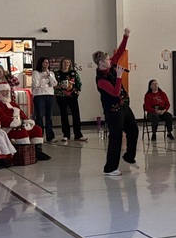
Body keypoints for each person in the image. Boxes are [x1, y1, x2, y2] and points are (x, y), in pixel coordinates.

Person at [94, 29, 139, 176]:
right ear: (101, 63)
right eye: (107, 60)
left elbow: (120, 52)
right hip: (113, 111)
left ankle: (129, 157)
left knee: (133, 130)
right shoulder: (101, 80)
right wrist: (119, 77)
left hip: (123, 106)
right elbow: (114, 92)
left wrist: (126, 37)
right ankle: (110, 168)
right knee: (116, 137)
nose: (110, 61)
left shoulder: (110, 65)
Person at [0, 83, 50, 160]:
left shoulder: (12, 103)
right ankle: (22, 154)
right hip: (6, 127)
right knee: (21, 132)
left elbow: (22, 114)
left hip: (19, 125)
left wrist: (27, 122)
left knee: (37, 129)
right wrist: (17, 123)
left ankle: (37, 152)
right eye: (4, 91)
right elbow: (1, 118)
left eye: (7, 91)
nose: (7, 93)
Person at [54, 57, 85, 141]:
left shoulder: (73, 73)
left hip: (72, 96)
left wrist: (78, 91)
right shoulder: (57, 74)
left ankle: (78, 134)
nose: (66, 64)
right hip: (61, 96)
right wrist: (61, 89)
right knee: (64, 115)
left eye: (68, 62)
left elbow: (78, 83)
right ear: (61, 63)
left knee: (76, 114)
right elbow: (54, 85)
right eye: (64, 62)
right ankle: (66, 135)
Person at [31, 57, 58, 143]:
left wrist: (49, 76)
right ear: (41, 63)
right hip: (39, 96)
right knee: (39, 116)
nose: (46, 64)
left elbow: (54, 83)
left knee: (49, 116)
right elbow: (36, 85)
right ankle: (39, 135)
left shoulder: (51, 73)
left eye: (47, 62)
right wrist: (46, 82)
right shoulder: (36, 73)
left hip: (50, 95)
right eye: (45, 62)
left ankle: (50, 136)